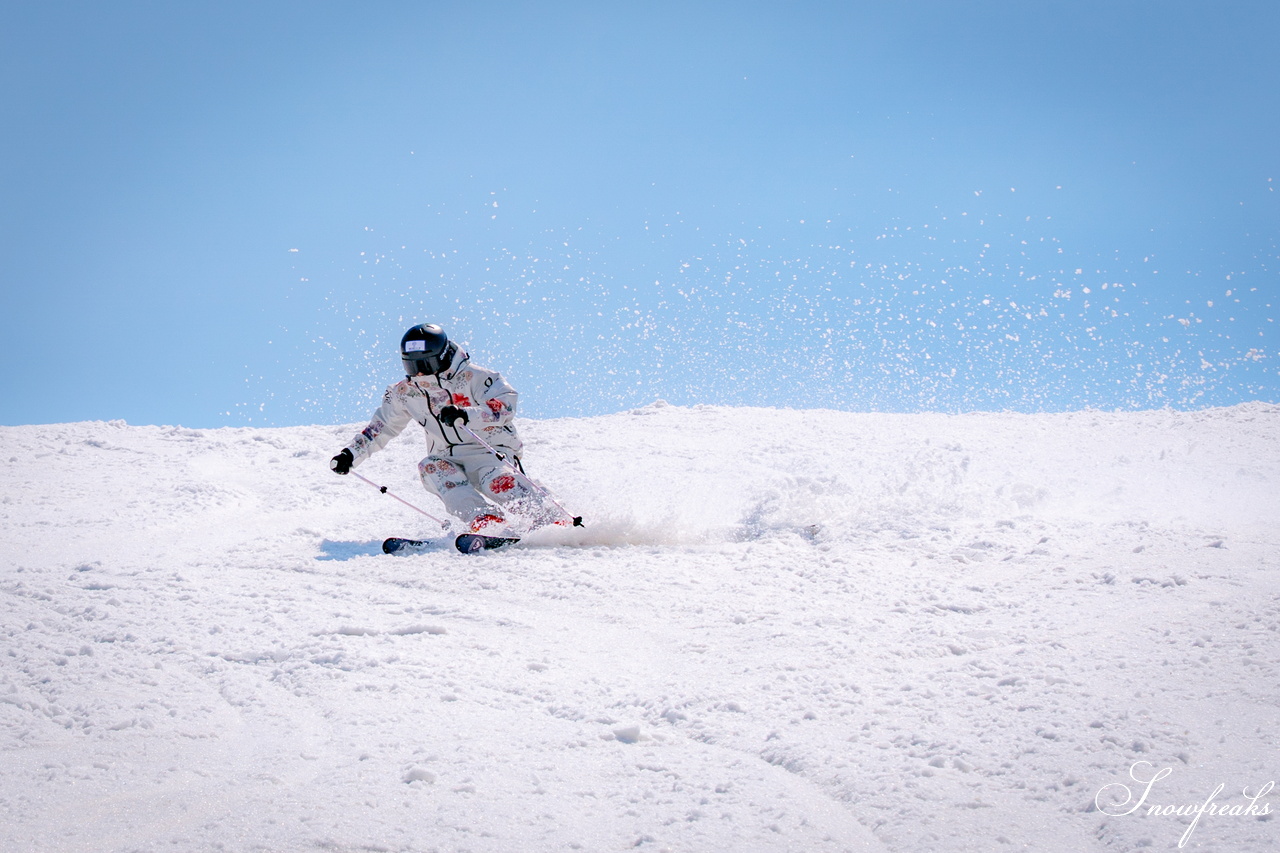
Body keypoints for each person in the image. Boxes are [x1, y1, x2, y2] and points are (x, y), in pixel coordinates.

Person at [330, 323, 564, 534]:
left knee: (497, 481)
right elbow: (379, 428)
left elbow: (506, 405)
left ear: (442, 357)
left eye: (425, 363)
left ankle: (549, 516)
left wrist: (466, 414)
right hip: (446, 457)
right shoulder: (405, 392)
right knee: (431, 468)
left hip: (489, 452)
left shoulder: (475, 377)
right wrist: (350, 455)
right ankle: (486, 520)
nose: (420, 372)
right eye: (412, 365)